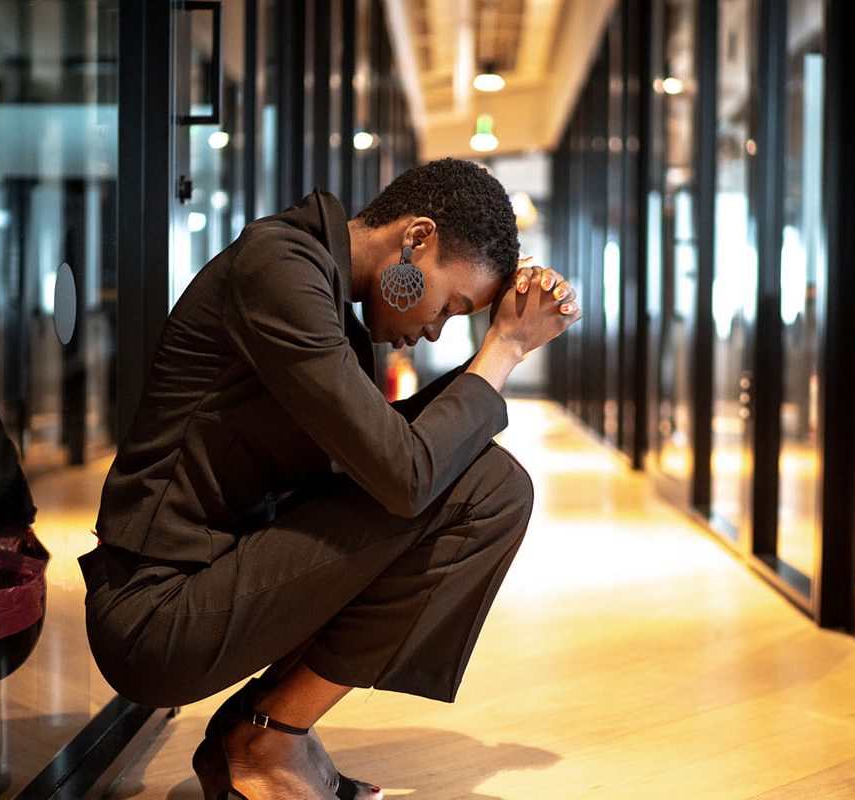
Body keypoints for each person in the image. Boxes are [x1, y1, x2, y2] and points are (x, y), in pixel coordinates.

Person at [80, 158, 582, 800]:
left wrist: (503, 334)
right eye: (451, 307)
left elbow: (388, 459)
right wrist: (504, 348)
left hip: (217, 578)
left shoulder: (325, 291)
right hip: (155, 615)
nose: (435, 329)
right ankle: (265, 738)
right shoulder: (279, 271)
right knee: (485, 488)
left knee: (492, 483)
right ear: (417, 239)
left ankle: (268, 731)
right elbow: (405, 475)